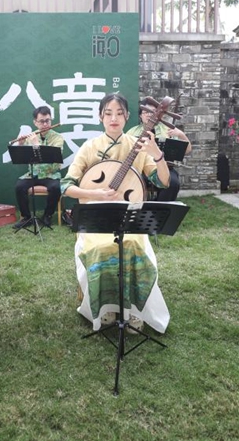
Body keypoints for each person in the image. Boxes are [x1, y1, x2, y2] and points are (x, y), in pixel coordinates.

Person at [61, 93, 171, 333]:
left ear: (127, 117)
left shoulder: (137, 146)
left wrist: (157, 153)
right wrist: (96, 194)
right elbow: (66, 186)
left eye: (119, 113)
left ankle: (132, 310)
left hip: (129, 214)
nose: (114, 118)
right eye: (108, 113)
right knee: (101, 249)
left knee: (134, 246)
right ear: (100, 116)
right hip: (96, 214)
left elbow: (163, 182)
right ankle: (105, 308)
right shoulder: (90, 147)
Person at [12, 106, 65, 229]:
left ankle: (47, 216)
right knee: (19, 187)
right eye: (42, 121)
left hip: (50, 174)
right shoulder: (30, 137)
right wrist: (20, 144)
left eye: (48, 120)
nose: (45, 124)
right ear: (35, 122)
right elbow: (21, 157)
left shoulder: (57, 138)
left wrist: (36, 144)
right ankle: (26, 217)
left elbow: (55, 162)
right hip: (33, 173)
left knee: (55, 188)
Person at [126, 105, 192, 201]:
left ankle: (160, 209)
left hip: (165, 167)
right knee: (133, 182)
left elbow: (188, 150)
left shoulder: (168, 130)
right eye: (145, 112)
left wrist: (181, 135)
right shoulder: (132, 132)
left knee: (173, 183)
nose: (149, 115)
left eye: (153, 112)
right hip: (140, 168)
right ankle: (139, 208)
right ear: (140, 115)